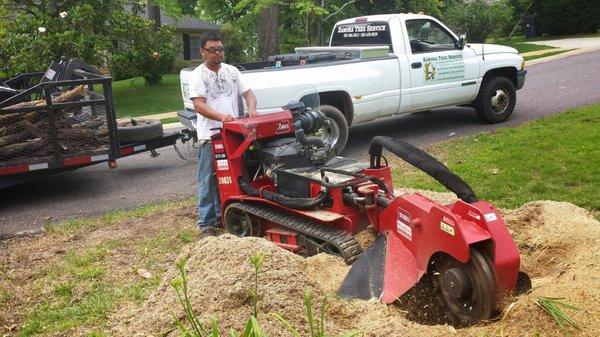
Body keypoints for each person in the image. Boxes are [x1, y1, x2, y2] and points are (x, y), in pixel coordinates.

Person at [188, 31, 258, 237]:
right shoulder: (198, 75)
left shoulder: (232, 71)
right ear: (203, 52)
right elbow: (199, 105)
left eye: (220, 49)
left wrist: (251, 108)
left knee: (236, 175)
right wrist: (221, 117)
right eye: (212, 50)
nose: (218, 53)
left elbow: (249, 94)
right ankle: (207, 223)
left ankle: (228, 213)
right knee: (208, 179)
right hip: (210, 136)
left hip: (233, 134)